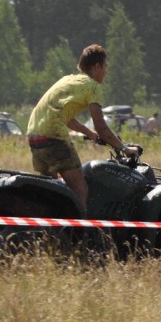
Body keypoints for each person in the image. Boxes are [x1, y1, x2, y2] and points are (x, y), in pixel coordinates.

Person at [27, 44, 132, 213]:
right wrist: (124, 148)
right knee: (80, 188)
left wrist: (90, 134)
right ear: (96, 67)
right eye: (105, 66)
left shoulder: (68, 80)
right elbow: (101, 126)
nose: (106, 72)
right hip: (54, 137)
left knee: (51, 189)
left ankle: (51, 226)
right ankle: (80, 228)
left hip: (34, 136)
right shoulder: (93, 86)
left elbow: (65, 117)